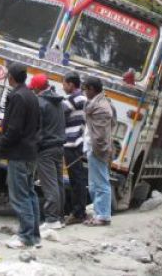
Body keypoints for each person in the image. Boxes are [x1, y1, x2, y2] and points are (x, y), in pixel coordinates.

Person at [0, 62, 41, 249]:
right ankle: (34, 234)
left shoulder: (17, 97)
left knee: (19, 195)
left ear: (12, 77)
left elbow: (14, 128)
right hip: (31, 151)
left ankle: (25, 237)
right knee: (29, 192)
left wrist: (1, 143)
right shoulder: (31, 95)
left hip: (19, 153)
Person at [28, 73, 66, 231]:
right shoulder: (58, 101)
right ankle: (60, 217)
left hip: (46, 149)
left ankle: (51, 219)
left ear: (37, 88)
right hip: (58, 147)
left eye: (33, 89)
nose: (33, 91)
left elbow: (37, 128)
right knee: (58, 183)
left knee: (49, 184)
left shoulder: (40, 103)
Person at [83, 76, 114, 227]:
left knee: (101, 183)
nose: (84, 92)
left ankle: (103, 216)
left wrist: (97, 149)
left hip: (98, 150)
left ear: (92, 89)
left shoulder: (101, 107)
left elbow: (100, 135)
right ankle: (98, 213)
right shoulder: (100, 103)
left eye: (85, 89)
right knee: (95, 183)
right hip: (95, 149)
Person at [61, 71, 88, 225]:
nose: (63, 86)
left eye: (64, 83)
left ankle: (78, 213)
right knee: (77, 179)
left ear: (71, 84)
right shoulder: (82, 98)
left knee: (76, 179)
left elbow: (59, 113)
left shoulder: (75, 99)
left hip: (73, 143)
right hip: (76, 143)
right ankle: (78, 211)